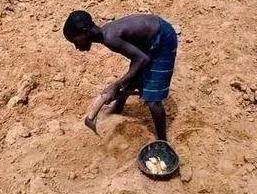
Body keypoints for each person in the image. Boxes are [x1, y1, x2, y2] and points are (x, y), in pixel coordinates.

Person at [63, 11, 178, 141]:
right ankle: (118, 108)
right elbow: (137, 59)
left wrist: (116, 84)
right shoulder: (107, 33)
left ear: (85, 31)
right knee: (131, 79)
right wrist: (124, 82)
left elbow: (142, 59)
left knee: (152, 100)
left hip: (162, 38)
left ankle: (162, 140)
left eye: (75, 41)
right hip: (149, 39)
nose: (76, 47)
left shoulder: (110, 37)